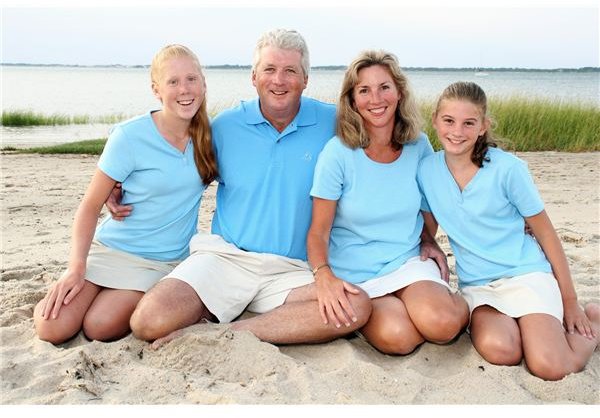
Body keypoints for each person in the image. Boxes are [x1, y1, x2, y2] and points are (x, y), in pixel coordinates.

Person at [117, 29, 372, 347]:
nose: (278, 80)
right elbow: (177, 172)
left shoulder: (334, 125)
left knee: (356, 306)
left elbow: (383, 165)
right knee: (148, 321)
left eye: (290, 71)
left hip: (295, 270)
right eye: (269, 69)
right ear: (254, 77)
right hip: (227, 259)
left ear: (305, 79)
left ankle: (230, 332)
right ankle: (241, 314)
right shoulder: (223, 127)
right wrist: (120, 185)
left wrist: (426, 236)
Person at [33, 44, 217, 344]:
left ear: (203, 84)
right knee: (51, 328)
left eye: (191, 79)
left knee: (100, 326)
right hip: (109, 249)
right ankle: (81, 286)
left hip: (160, 261)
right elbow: (90, 206)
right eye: (173, 81)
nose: (184, 89)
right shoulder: (129, 136)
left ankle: (106, 298)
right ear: (156, 89)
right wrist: (75, 268)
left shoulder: (212, 136)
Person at [417, 81, 599, 380]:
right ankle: (530, 330)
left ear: (483, 126)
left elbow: (547, 235)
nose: (457, 131)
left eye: (469, 123)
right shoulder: (427, 170)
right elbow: (427, 226)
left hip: (526, 274)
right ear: (435, 120)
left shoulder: (508, 169)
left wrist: (570, 302)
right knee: (501, 351)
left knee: (549, 366)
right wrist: (426, 243)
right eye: (449, 120)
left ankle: (595, 321)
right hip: (479, 285)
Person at [306, 50, 469, 355]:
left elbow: (426, 207)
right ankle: (403, 307)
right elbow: (318, 232)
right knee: (399, 338)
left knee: (443, 325)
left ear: (399, 92)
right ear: (352, 100)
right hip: (356, 271)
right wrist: (324, 275)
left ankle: (455, 301)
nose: (375, 98)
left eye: (384, 87)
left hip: (407, 260)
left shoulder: (418, 144)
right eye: (364, 90)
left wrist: (428, 240)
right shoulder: (337, 153)